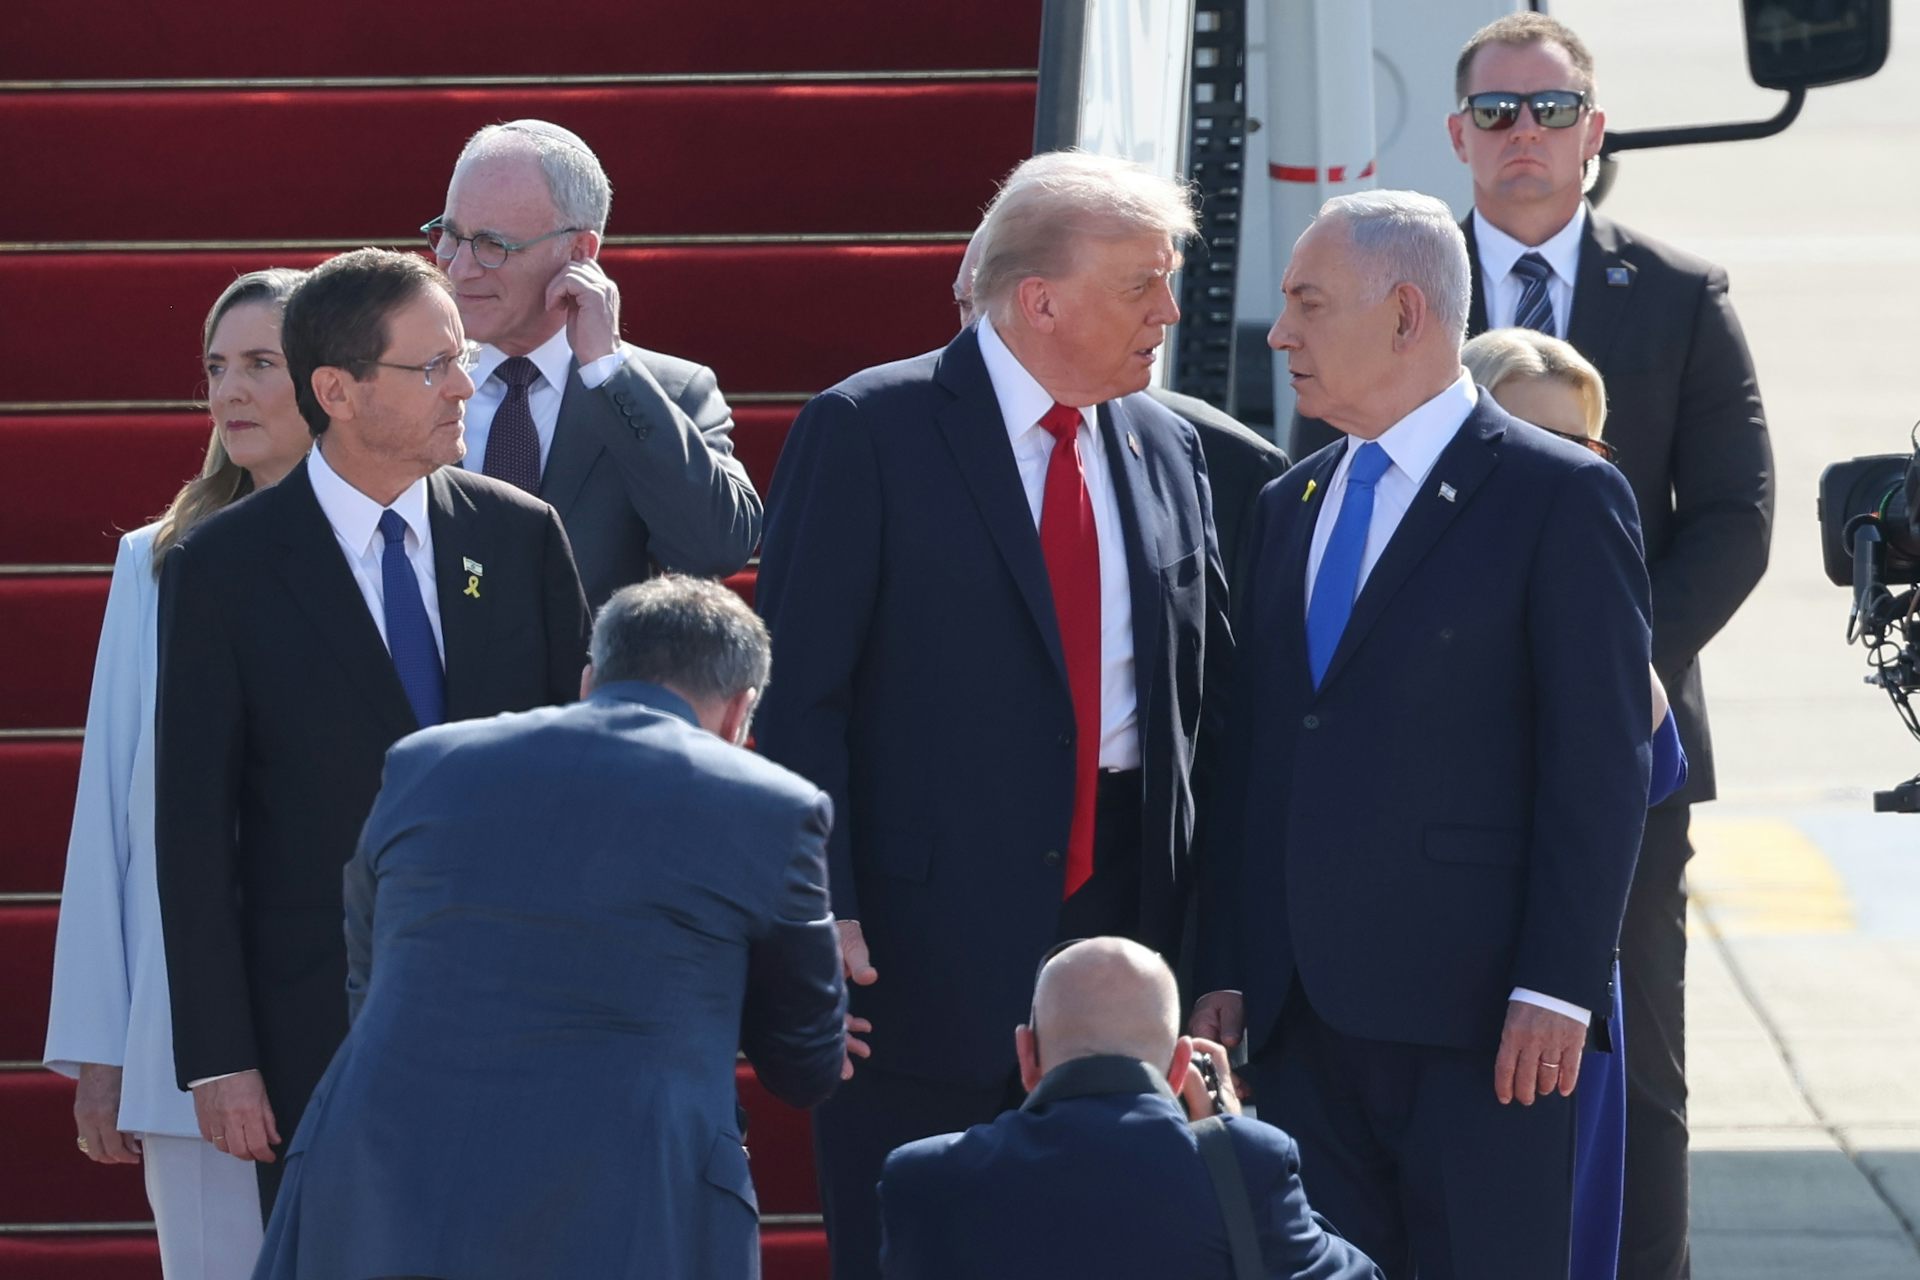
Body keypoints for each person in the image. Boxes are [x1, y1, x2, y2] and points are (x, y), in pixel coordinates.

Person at [755, 150, 1233, 1280]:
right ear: (1041, 299)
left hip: (1123, 933)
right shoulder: (870, 428)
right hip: (916, 957)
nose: (1169, 311)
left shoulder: (1169, 445)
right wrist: (826, 904)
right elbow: (799, 691)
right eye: (1142, 285)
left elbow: (1204, 708)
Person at [1192, 190, 1651, 1279]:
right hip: (1304, 1017)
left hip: (1484, 1019)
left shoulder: (1561, 495)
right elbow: (1260, 748)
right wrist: (1228, 960)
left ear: (1406, 315)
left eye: (1307, 302)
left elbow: (1601, 758)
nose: (1280, 332)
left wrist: (1559, 982)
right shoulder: (1287, 501)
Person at [154, 247, 593, 1212]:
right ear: (337, 392)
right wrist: (220, 1057)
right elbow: (193, 830)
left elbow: (581, 781)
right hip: (318, 1031)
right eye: (432, 365)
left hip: (519, 1015)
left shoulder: (519, 536)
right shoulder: (223, 569)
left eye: (461, 358)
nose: (466, 386)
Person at [250, 575, 846, 1280]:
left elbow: (370, 959)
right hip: (625, 1196)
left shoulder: (428, 760)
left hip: (384, 1169)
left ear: (591, 677)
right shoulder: (775, 808)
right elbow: (805, 1063)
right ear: (740, 710)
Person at [1447, 18, 1773, 1272]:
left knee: (1631, 1061)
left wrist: (1605, 664)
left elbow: (1735, 518)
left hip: (1624, 751)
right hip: (1436, 741)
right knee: (1437, 1042)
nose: (1521, 134)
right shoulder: (1394, 278)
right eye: (1495, 112)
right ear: (1456, 132)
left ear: (1595, 128)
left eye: (1549, 109)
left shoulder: (1682, 295)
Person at [43, 269, 309, 1278]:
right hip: (183, 1037)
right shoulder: (157, 559)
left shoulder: (414, 556)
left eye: (259, 364)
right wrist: (101, 1042)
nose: (229, 391)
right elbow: (112, 808)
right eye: (215, 368)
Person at [1462, 326, 1690, 1280]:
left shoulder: (1603, 613)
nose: (1560, 469)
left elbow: (1650, 768)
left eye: (1580, 447)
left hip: (1554, 1001)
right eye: (1530, 438)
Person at [879, 937, 1382, 1280]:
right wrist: (1223, 1136)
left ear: (1026, 1053)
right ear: (1182, 1063)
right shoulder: (1246, 1162)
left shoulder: (923, 1177)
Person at [429, 119, 761, 607]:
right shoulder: (399, 373)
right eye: (451, 235)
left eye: (493, 246)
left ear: (579, 252)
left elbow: (712, 547)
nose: (457, 267)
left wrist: (607, 371)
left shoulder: (663, 391)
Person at [954, 225, 1289, 616]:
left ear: (1041, 304)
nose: (983, 333)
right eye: (966, 305)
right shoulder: (889, 438)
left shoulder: (1221, 460)